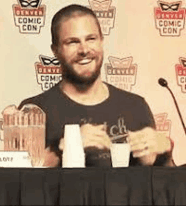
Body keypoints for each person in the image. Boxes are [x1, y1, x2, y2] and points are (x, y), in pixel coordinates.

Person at [18, 4, 175, 167]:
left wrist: (163, 153)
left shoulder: (136, 106)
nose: (84, 49)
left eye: (91, 39)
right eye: (72, 42)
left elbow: (164, 186)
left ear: (101, 41)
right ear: (55, 50)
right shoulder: (34, 111)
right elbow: (19, 183)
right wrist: (68, 147)